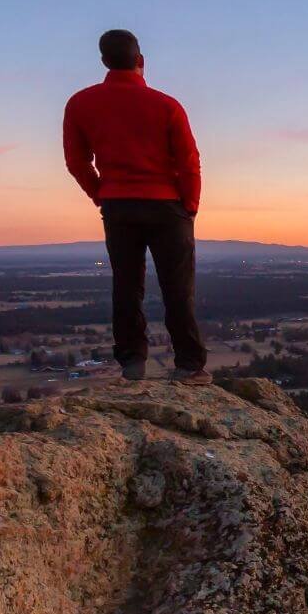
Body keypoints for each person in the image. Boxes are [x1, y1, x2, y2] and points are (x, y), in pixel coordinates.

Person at [63, 30, 211, 384]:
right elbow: (189, 160)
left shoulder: (81, 103)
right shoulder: (166, 105)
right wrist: (189, 205)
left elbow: (76, 161)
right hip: (167, 207)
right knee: (177, 287)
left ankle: (132, 362)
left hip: (119, 206)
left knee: (127, 284)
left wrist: (101, 193)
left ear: (103, 62)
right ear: (140, 61)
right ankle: (189, 365)